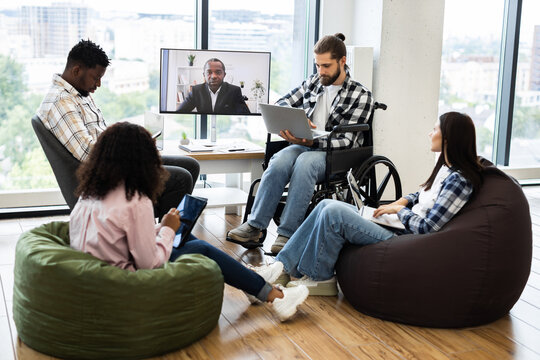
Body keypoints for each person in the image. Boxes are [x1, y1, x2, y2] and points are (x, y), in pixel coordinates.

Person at [69, 122, 308, 322]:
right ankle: (276, 298)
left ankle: (253, 285)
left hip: (94, 277)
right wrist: (167, 232)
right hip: (124, 284)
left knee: (185, 236)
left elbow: (117, 235)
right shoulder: (136, 201)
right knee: (200, 248)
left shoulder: (89, 195)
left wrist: (161, 228)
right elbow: (149, 264)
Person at [259, 112, 485, 296]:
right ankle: (282, 268)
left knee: (335, 212)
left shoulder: (459, 180)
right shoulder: (446, 168)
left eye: (434, 129)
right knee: (325, 204)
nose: (429, 133)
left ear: (448, 139)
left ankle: (320, 277)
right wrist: (405, 200)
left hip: (406, 238)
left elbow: (429, 228)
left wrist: (400, 211)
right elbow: (425, 195)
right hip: (397, 225)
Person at [227, 33, 374, 253]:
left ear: (343, 61)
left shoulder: (361, 95)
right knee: (279, 160)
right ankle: (255, 226)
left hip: (336, 153)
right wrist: (295, 119)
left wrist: (312, 143)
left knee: (305, 162)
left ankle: (287, 233)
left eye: (326, 66)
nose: (321, 72)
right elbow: (283, 101)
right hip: (306, 144)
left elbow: (347, 140)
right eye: (317, 65)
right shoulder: (313, 82)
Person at [36, 39, 200, 219]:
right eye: (96, 77)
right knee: (180, 177)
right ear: (76, 70)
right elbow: (88, 155)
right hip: (103, 179)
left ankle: (164, 230)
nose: (98, 84)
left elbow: (101, 138)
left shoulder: (78, 93)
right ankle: (168, 238)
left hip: (111, 165)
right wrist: (131, 152)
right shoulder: (61, 102)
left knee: (190, 165)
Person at [177, 58, 250, 114]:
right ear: (204, 75)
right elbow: (179, 113)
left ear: (224, 75)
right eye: (209, 72)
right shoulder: (196, 91)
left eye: (218, 72)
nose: (213, 76)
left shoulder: (234, 91)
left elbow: (245, 115)